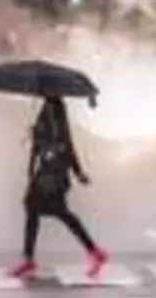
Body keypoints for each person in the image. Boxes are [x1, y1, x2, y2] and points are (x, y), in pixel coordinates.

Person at [7, 95, 109, 280]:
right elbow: (40, 145)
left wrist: (78, 172)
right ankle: (30, 259)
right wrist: (34, 139)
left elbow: (66, 143)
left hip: (53, 175)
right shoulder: (47, 105)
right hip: (45, 172)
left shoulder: (56, 106)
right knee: (37, 211)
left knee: (57, 213)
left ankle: (94, 252)